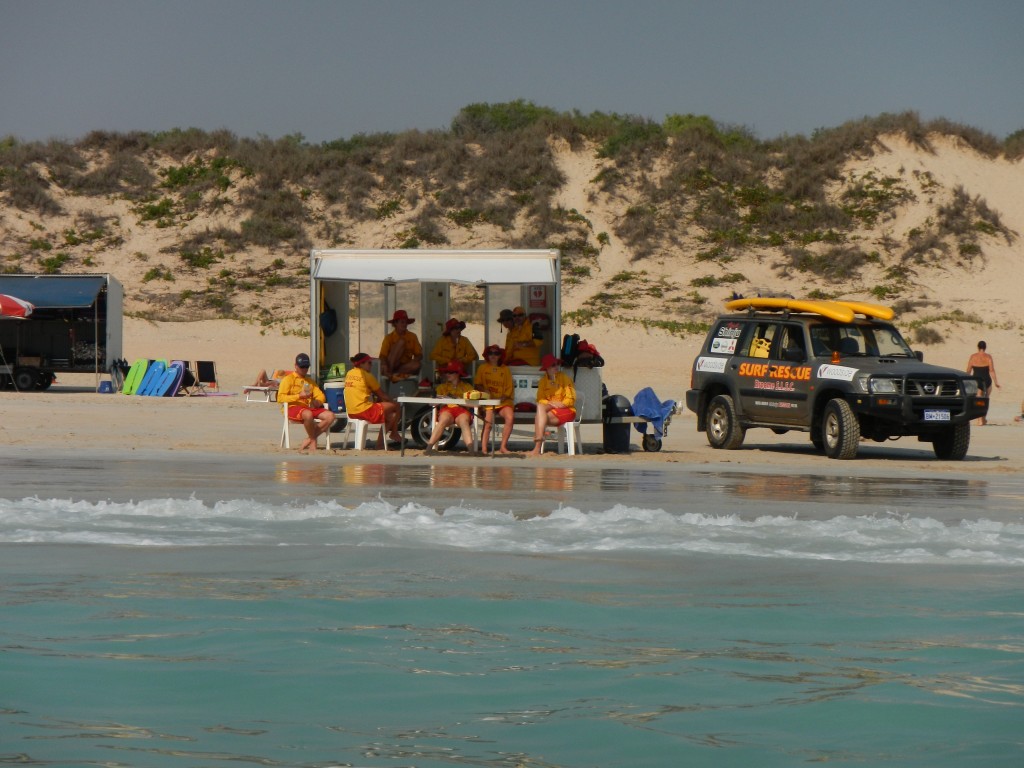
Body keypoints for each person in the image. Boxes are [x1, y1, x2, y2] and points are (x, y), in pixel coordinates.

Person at [276, 353, 336, 452]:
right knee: (308, 414)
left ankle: (310, 438)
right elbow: (280, 398)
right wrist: (299, 396)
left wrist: (317, 401)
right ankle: (313, 440)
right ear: (296, 366)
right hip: (292, 407)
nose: (304, 369)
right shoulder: (288, 379)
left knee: (331, 416)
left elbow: (321, 395)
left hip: (308, 407)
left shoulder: (309, 381)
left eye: (306, 366)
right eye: (302, 367)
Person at [344, 352, 401, 449]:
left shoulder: (349, 373)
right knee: (396, 405)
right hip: (363, 410)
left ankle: (380, 444)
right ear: (361, 364)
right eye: (369, 363)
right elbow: (382, 394)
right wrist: (392, 401)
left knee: (392, 416)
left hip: (351, 412)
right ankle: (394, 433)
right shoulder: (367, 376)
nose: (371, 365)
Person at [527, 354, 576, 456]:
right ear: (547, 368)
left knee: (538, 416)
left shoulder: (564, 378)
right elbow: (540, 399)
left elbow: (571, 398)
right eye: (553, 365)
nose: (556, 367)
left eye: (557, 364)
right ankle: (538, 444)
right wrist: (551, 403)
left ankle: (537, 445)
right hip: (553, 409)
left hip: (567, 410)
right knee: (540, 409)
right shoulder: (543, 381)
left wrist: (561, 404)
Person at [424, 360, 475, 454]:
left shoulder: (467, 387)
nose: (447, 374)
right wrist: (439, 399)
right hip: (448, 409)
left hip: (462, 410)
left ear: (458, 374)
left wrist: (458, 400)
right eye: (446, 372)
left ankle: (471, 450)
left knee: (464, 422)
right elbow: (431, 404)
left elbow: (474, 404)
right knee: (443, 420)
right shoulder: (442, 387)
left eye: (450, 372)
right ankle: (429, 448)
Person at [473, 344, 515, 454]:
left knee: (510, 418)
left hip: (503, 401)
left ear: (500, 355)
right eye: (490, 353)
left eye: (496, 353)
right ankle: (484, 449)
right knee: (488, 423)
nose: (493, 355)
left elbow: (509, 388)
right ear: (487, 355)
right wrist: (485, 391)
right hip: (488, 401)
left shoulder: (505, 369)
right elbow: (477, 384)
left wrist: (503, 397)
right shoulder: (482, 368)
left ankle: (503, 447)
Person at [379, 309, 423, 383]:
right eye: (402, 322)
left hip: (404, 367)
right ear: (395, 323)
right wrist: (384, 364)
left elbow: (419, 354)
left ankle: (392, 374)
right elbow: (382, 356)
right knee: (401, 342)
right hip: (390, 364)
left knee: (417, 365)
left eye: (406, 322)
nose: (404, 324)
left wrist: (415, 360)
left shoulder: (412, 336)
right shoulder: (389, 338)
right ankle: (390, 372)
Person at [966, 340, 1000, 425]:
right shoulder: (988, 357)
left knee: (978, 399)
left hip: (977, 380)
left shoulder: (973, 357)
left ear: (978, 347)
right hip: (987, 379)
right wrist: (996, 382)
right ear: (985, 347)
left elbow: (969, 369)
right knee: (986, 399)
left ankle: (979, 420)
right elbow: (991, 370)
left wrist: (966, 379)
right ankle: (984, 418)